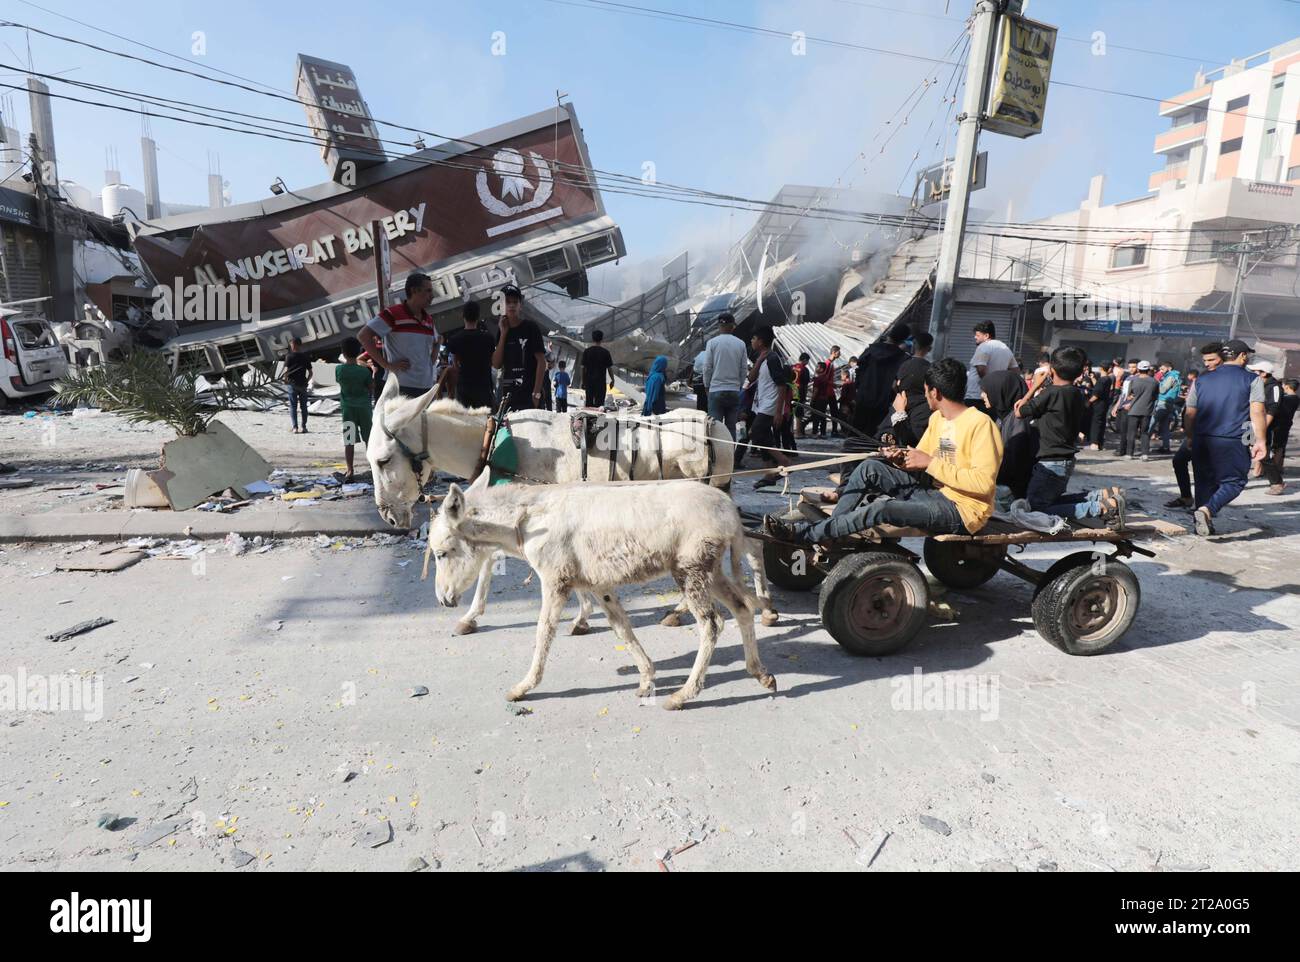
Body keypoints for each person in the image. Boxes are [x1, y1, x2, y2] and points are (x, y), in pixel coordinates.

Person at [764, 357, 1002, 543]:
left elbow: (983, 484)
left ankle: (807, 534)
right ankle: (833, 529)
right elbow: (919, 459)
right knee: (870, 467)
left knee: (882, 508)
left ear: (934, 392)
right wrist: (899, 459)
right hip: (935, 494)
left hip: (963, 511)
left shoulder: (981, 425)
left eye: (925, 389)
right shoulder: (938, 419)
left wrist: (930, 463)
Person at [1014, 346, 1125, 523]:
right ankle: (1101, 496)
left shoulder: (1050, 393)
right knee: (1050, 502)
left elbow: (1019, 412)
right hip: (1064, 459)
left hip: (1050, 462)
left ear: (1052, 370)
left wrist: (1036, 384)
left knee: (1038, 508)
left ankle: (1101, 507)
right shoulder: (1077, 393)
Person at [1183, 339, 1269, 535]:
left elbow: (1190, 413)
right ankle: (1207, 510)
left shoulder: (1202, 380)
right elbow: (1255, 413)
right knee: (1235, 481)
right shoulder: (1252, 379)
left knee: (1204, 481)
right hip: (1230, 439)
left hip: (1201, 438)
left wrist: (1190, 437)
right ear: (1243, 356)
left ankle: (1202, 524)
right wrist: (1259, 442)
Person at [359, 273, 438, 400]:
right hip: (401, 387)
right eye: (428, 291)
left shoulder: (429, 320)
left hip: (426, 387)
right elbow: (363, 336)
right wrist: (387, 365)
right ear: (414, 291)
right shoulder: (393, 314)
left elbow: (435, 345)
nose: (432, 296)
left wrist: (431, 361)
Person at [1166, 344, 1223, 509]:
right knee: (1179, 461)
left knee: (1209, 472)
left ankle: (1205, 507)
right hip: (1200, 432)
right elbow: (1191, 411)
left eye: (1212, 359)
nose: (1207, 363)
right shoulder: (1203, 379)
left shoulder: (1240, 379)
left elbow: (1254, 413)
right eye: (1205, 360)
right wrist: (1189, 435)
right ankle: (1187, 498)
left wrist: (1250, 439)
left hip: (1221, 434)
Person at [747, 326, 793, 490]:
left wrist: (779, 412)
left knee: (755, 433)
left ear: (761, 341)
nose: (752, 341)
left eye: (754, 338)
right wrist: (759, 361)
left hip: (770, 405)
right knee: (764, 438)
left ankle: (784, 462)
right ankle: (769, 473)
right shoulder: (762, 358)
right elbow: (751, 378)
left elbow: (782, 385)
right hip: (761, 404)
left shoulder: (773, 358)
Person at [491, 284, 546, 412]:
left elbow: (541, 361)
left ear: (520, 305)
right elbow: (496, 363)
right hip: (509, 395)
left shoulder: (531, 327)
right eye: (508, 302)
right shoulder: (501, 330)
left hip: (529, 394)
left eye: (515, 302)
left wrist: (536, 393)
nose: (511, 305)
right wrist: (504, 333)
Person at [851, 322, 911, 439]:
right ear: (903, 340)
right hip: (884, 403)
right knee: (874, 436)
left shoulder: (871, 351)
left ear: (890, 333)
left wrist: (858, 389)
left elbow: (859, 371)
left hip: (864, 397)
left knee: (856, 432)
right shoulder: (903, 358)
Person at [701, 312, 749, 439]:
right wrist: (738, 385)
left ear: (718, 326)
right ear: (733, 326)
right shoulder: (741, 344)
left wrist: (707, 387)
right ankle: (730, 457)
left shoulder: (712, 343)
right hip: (733, 390)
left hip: (716, 390)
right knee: (731, 427)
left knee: (714, 427)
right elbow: (744, 369)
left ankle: (716, 457)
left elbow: (707, 368)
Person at [443, 301, 496, 409]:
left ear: (463, 316)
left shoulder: (454, 340)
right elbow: (492, 362)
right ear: (478, 316)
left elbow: (455, 365)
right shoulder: (488, 338)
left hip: (464, 389)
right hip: (484, 388)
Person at [335, 336, 374, 482]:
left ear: (343, 353)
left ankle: (350, 470)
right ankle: (373, 467)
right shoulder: (364, 371)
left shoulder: (339, 369)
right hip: (364, 407)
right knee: (369, 439)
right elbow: (371, 387)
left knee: (349, 440)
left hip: (348, 409)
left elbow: (339, 382)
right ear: (359, 352)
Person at [964, 321, 1018, 412]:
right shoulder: (1005, 348)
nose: (975, 337)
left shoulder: (984, 346)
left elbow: (981, 369)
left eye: (977, 335)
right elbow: (1015, 371)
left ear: (986, 336)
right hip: (995, 400)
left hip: (976, 397)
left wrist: (988, 388)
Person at [1250, 360, 1285, 493]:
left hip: (1262, 426)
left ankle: (1277, 483)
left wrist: (1262, 427)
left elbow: (1273, 409)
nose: (1253, 373)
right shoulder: (1258, 385)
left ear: (1264, 373)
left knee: (1263, 453)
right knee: (1242, 448)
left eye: (1255, 371)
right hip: (1249, 423)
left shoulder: (1274, 387)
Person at [1264, 378, 1298, 496]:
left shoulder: (1286, 399)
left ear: (1288, 386)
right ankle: (1278, 468)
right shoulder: (1296, 399)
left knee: (1273, 447)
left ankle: (1273, 470)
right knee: (1279, 447)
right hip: (1286, 425)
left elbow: (1275, 409)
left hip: (1278, 426)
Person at [1117, 361, 1157, 459]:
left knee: (1131, 433)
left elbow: (1128, 395)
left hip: (1133, 410)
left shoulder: (1133, 381)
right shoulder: (1155, 382)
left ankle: (1129, 454)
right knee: (1144, 433)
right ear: (1148, 370)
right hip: (1147, 410)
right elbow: (1155, 396)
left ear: (1138, 369)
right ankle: (1145, 454)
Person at [1151, 362, 1181, 452]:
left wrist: (1157, 381)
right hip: (1169, 403)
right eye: (1160, 369)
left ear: (1169, 368)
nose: (1161, 371)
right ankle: (1165, 447)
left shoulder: (1170, 377)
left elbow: (1163, 390)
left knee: (1151, 424)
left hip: (1163, 403)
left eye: (1162, 369)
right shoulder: (1174, 376)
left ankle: (1143, 446)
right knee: (1165, 427)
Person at [581, 329, 615, 410]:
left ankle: (588, 421)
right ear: (602, 339)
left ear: (593, 339)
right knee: (600, 406)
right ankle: (598, 422)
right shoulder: (605, 352)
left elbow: (583, 369)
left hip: (589, 382)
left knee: (589, 405)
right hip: (600, 383)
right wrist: (612, 380)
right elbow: (609, 368)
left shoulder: (587, 352)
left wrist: (583, 381)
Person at [284, 336, 312, 434]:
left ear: (294, 345)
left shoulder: (289, 356)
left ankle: (295, 428)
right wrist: (307, 381)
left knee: (293, 406)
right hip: (303, 384)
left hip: (292, 384)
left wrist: (285, 380)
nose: (291, 346)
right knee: (304, 406)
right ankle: (304, 427)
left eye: (291, 344)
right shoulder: (305, 357)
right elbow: (311, 372)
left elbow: (286, 372)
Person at [1086, 361, 1114, 450]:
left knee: (1095, 423)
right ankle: (1100, 443)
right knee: (1101, 423)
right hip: (1104, 404)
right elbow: (1099, 387)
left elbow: (1096, 394)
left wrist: (1088, 402)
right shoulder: (1108, 379)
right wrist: (1094, 379)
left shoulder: (1102, 380)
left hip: (1098, 404)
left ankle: (1094, 443)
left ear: (1100, 368)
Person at [809, 360, 835, 437]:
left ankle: (814, 432)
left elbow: (816, 391)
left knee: (816, 416)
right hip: (824, 399)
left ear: (822, 369)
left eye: (817, 367)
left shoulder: (818, 379)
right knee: (822, 415)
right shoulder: (825, 378)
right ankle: (823, 432)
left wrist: (812, 400)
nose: (816, 368)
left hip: (818, 399)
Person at [826, 344, 844, 436]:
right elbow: (825, 379)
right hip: (828, 392)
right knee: (834, 412)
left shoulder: (831, 364)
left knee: (833, 411)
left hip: (830, 391)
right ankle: (834, 431)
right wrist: (834, 385)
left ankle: (834, 430)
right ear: (834, 352)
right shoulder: (828, 364)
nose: (840, 354)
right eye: (838, 352)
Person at [792, 352, 812, 436]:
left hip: (791, 391)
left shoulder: (792, 367)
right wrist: (804, 396)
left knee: (790, 413)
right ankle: (798, 432)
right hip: (799, 393)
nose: (807, 363)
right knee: (799, 414)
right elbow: (805, 384)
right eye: (807, 361)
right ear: (804, 360)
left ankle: (791, 431)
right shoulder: (805, 369)